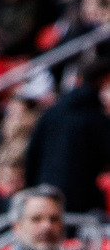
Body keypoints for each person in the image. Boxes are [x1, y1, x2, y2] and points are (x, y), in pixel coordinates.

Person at [25, 58, 110, 213]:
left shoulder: (53, 111)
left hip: (46, 188)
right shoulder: (96, 117)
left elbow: (33, 153)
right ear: (103, 80)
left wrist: (33, 187)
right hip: (80, 198)